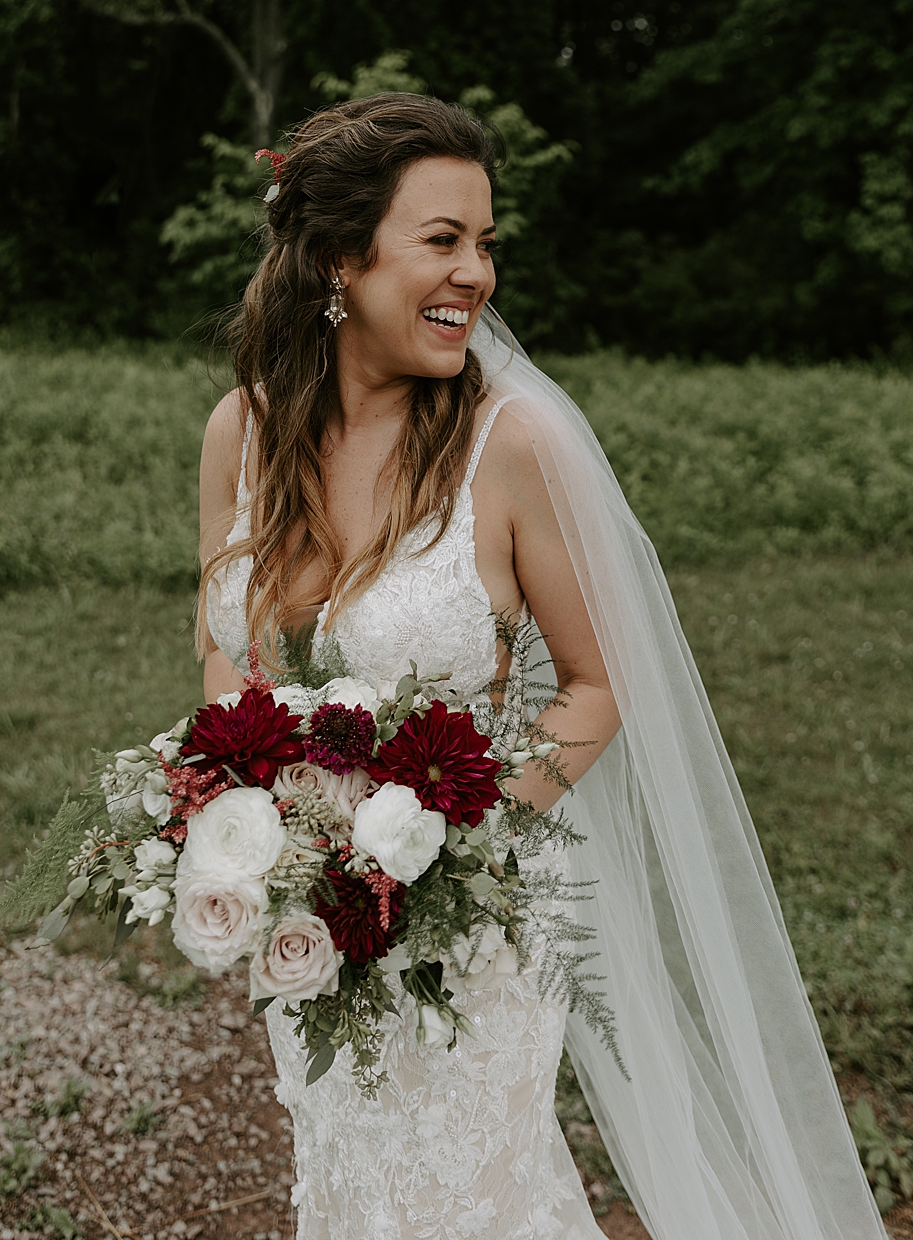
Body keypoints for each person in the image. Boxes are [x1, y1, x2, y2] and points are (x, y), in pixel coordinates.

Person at [196, 94, 883, 1238]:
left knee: (464, 1204)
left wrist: (447, 844)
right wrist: (255, 815)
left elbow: (596, 685)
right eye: (442, 240)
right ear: (334, 260)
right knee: (349, 1181)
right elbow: (225, 636)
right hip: (305, 913)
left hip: (473, 918)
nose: (476, 273)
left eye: (485, 243)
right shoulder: (243, 429)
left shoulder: (509, 444)